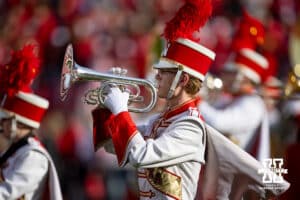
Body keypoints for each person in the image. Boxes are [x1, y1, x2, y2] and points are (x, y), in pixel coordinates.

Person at [91, 1, 290, 199]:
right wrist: (105, 104)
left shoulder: (190, 127)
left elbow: (141, 155)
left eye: (164, 72)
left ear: (182, 79)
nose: (157, 76)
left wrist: (120, 109)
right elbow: (112, 146)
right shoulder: (160, 121)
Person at [0, 44, 62, 200]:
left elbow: (7, 193)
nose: (2, 125)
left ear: (18, 123)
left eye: (5, 120)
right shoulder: (16, 151)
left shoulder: (34, 156)